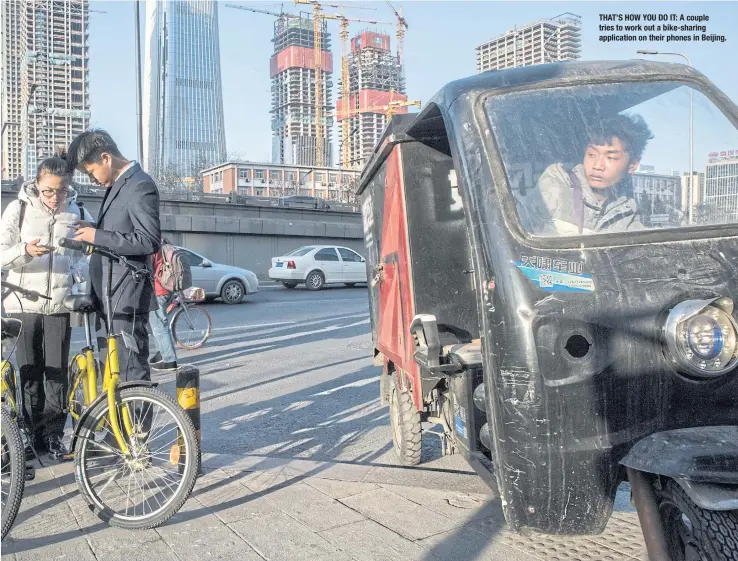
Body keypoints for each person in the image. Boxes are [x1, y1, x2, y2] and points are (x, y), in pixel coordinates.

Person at [0, 151, 90, 460]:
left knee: (57, 373)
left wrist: (75, 273)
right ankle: (26, 435)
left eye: (61, 190)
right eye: (48, 190)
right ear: (36, 183)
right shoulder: (19, 209)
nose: (54, 196)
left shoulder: (77, 210)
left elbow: (87, 253)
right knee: (30, 372)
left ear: (69, 186)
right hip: (23, 302)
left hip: (59, 305)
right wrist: (25, 250)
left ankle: (52, 435)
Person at [66, 129, 160, 382]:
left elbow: (148, 240)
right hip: (108, 294)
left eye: (91, 172)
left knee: (131, 373)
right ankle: (117, 422)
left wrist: (97, 237)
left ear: (106, 157)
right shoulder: (119, 185)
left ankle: (138, 423)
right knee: (113, 373)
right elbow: (121, 233)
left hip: (125, 296)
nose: (92, 179)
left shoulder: (140, 185)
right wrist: (94, 232)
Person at [520, 113, 653, 236]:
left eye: (611, 157)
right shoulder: (556, 186)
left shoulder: (626, 213)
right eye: (592, 154)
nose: (597, 166)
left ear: (632, 165)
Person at [149, 240, 178, 371]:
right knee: (157, 324)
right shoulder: (165, 246)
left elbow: (148, 269)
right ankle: (162, 352)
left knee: (159, 326)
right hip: (166, 288)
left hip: (158, 290)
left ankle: (169, 360)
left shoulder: (152, 247)